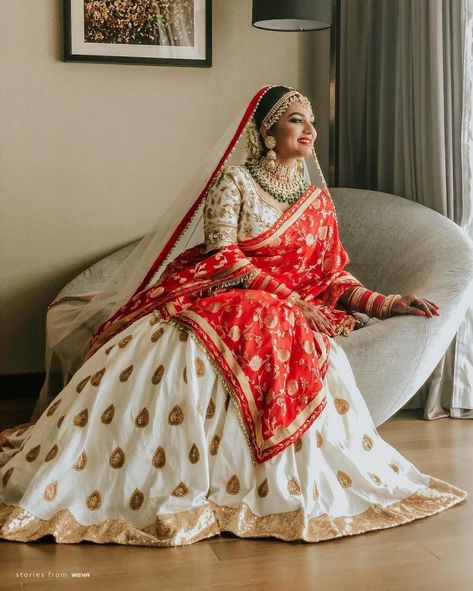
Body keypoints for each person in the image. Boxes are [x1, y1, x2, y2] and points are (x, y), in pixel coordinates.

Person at [0, 86, 466, 546]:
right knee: (254, 316)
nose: (309, 130)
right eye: (295, 120)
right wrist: (289, 299)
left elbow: (331, 278)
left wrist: (386, 302)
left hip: (280, 306)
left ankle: (275, 476)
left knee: (274, 316)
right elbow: (223, 257)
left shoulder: (317, 203)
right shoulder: (235, 183)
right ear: (268, 131)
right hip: (226, 293)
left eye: (311, 121)